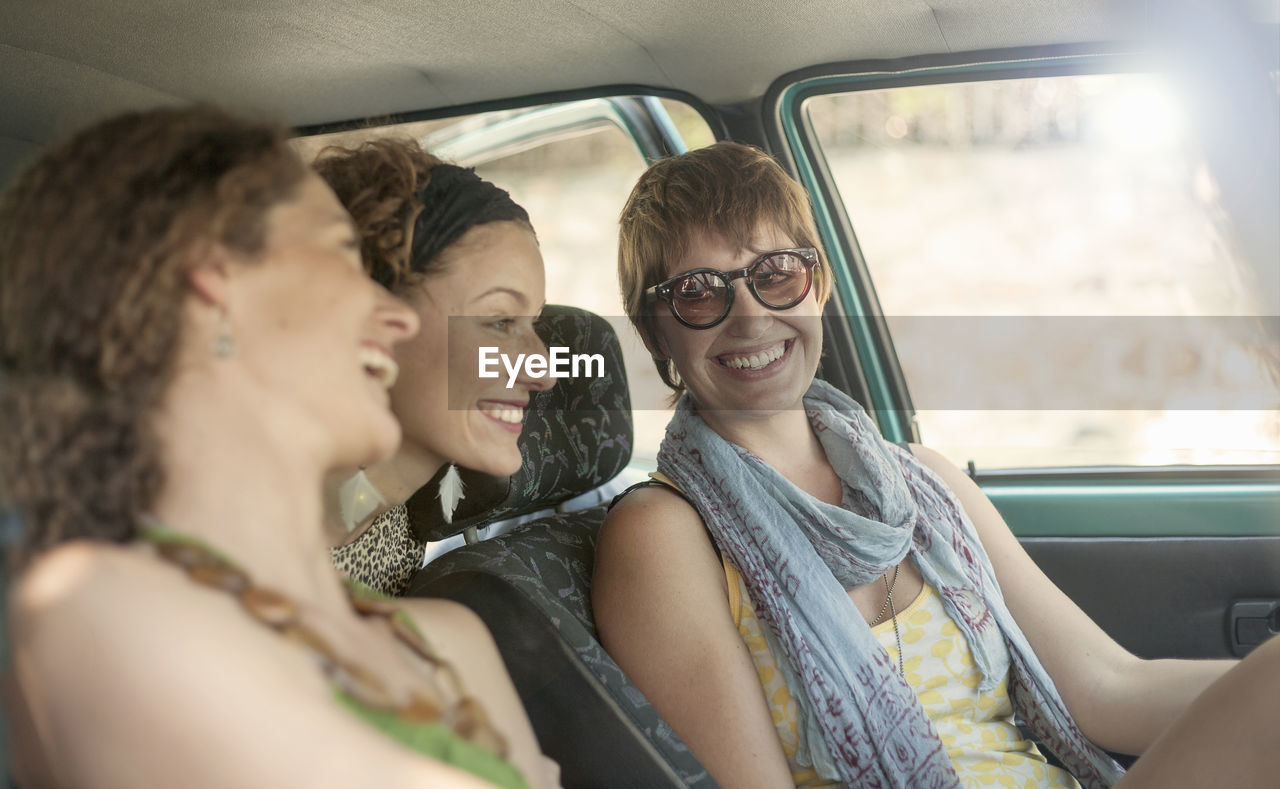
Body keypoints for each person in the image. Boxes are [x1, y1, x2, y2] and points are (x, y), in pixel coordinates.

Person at [592, 141, 1235, 789]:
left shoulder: (925, 481)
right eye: (699, 293)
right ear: (655, 332)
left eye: (778, 272)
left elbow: (1108, 688)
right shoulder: (662, 534)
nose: (752, 315)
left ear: (819, 286)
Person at [0, 106, 557, 789]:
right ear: (214, 282)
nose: (389, 311)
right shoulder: (94, 605)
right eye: (339, 256)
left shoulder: (445, 635)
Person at [312, 139, 553, 595]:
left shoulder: (391, 527)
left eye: (533, 323)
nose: (543, 372)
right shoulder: (230, 547)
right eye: (500, 321)